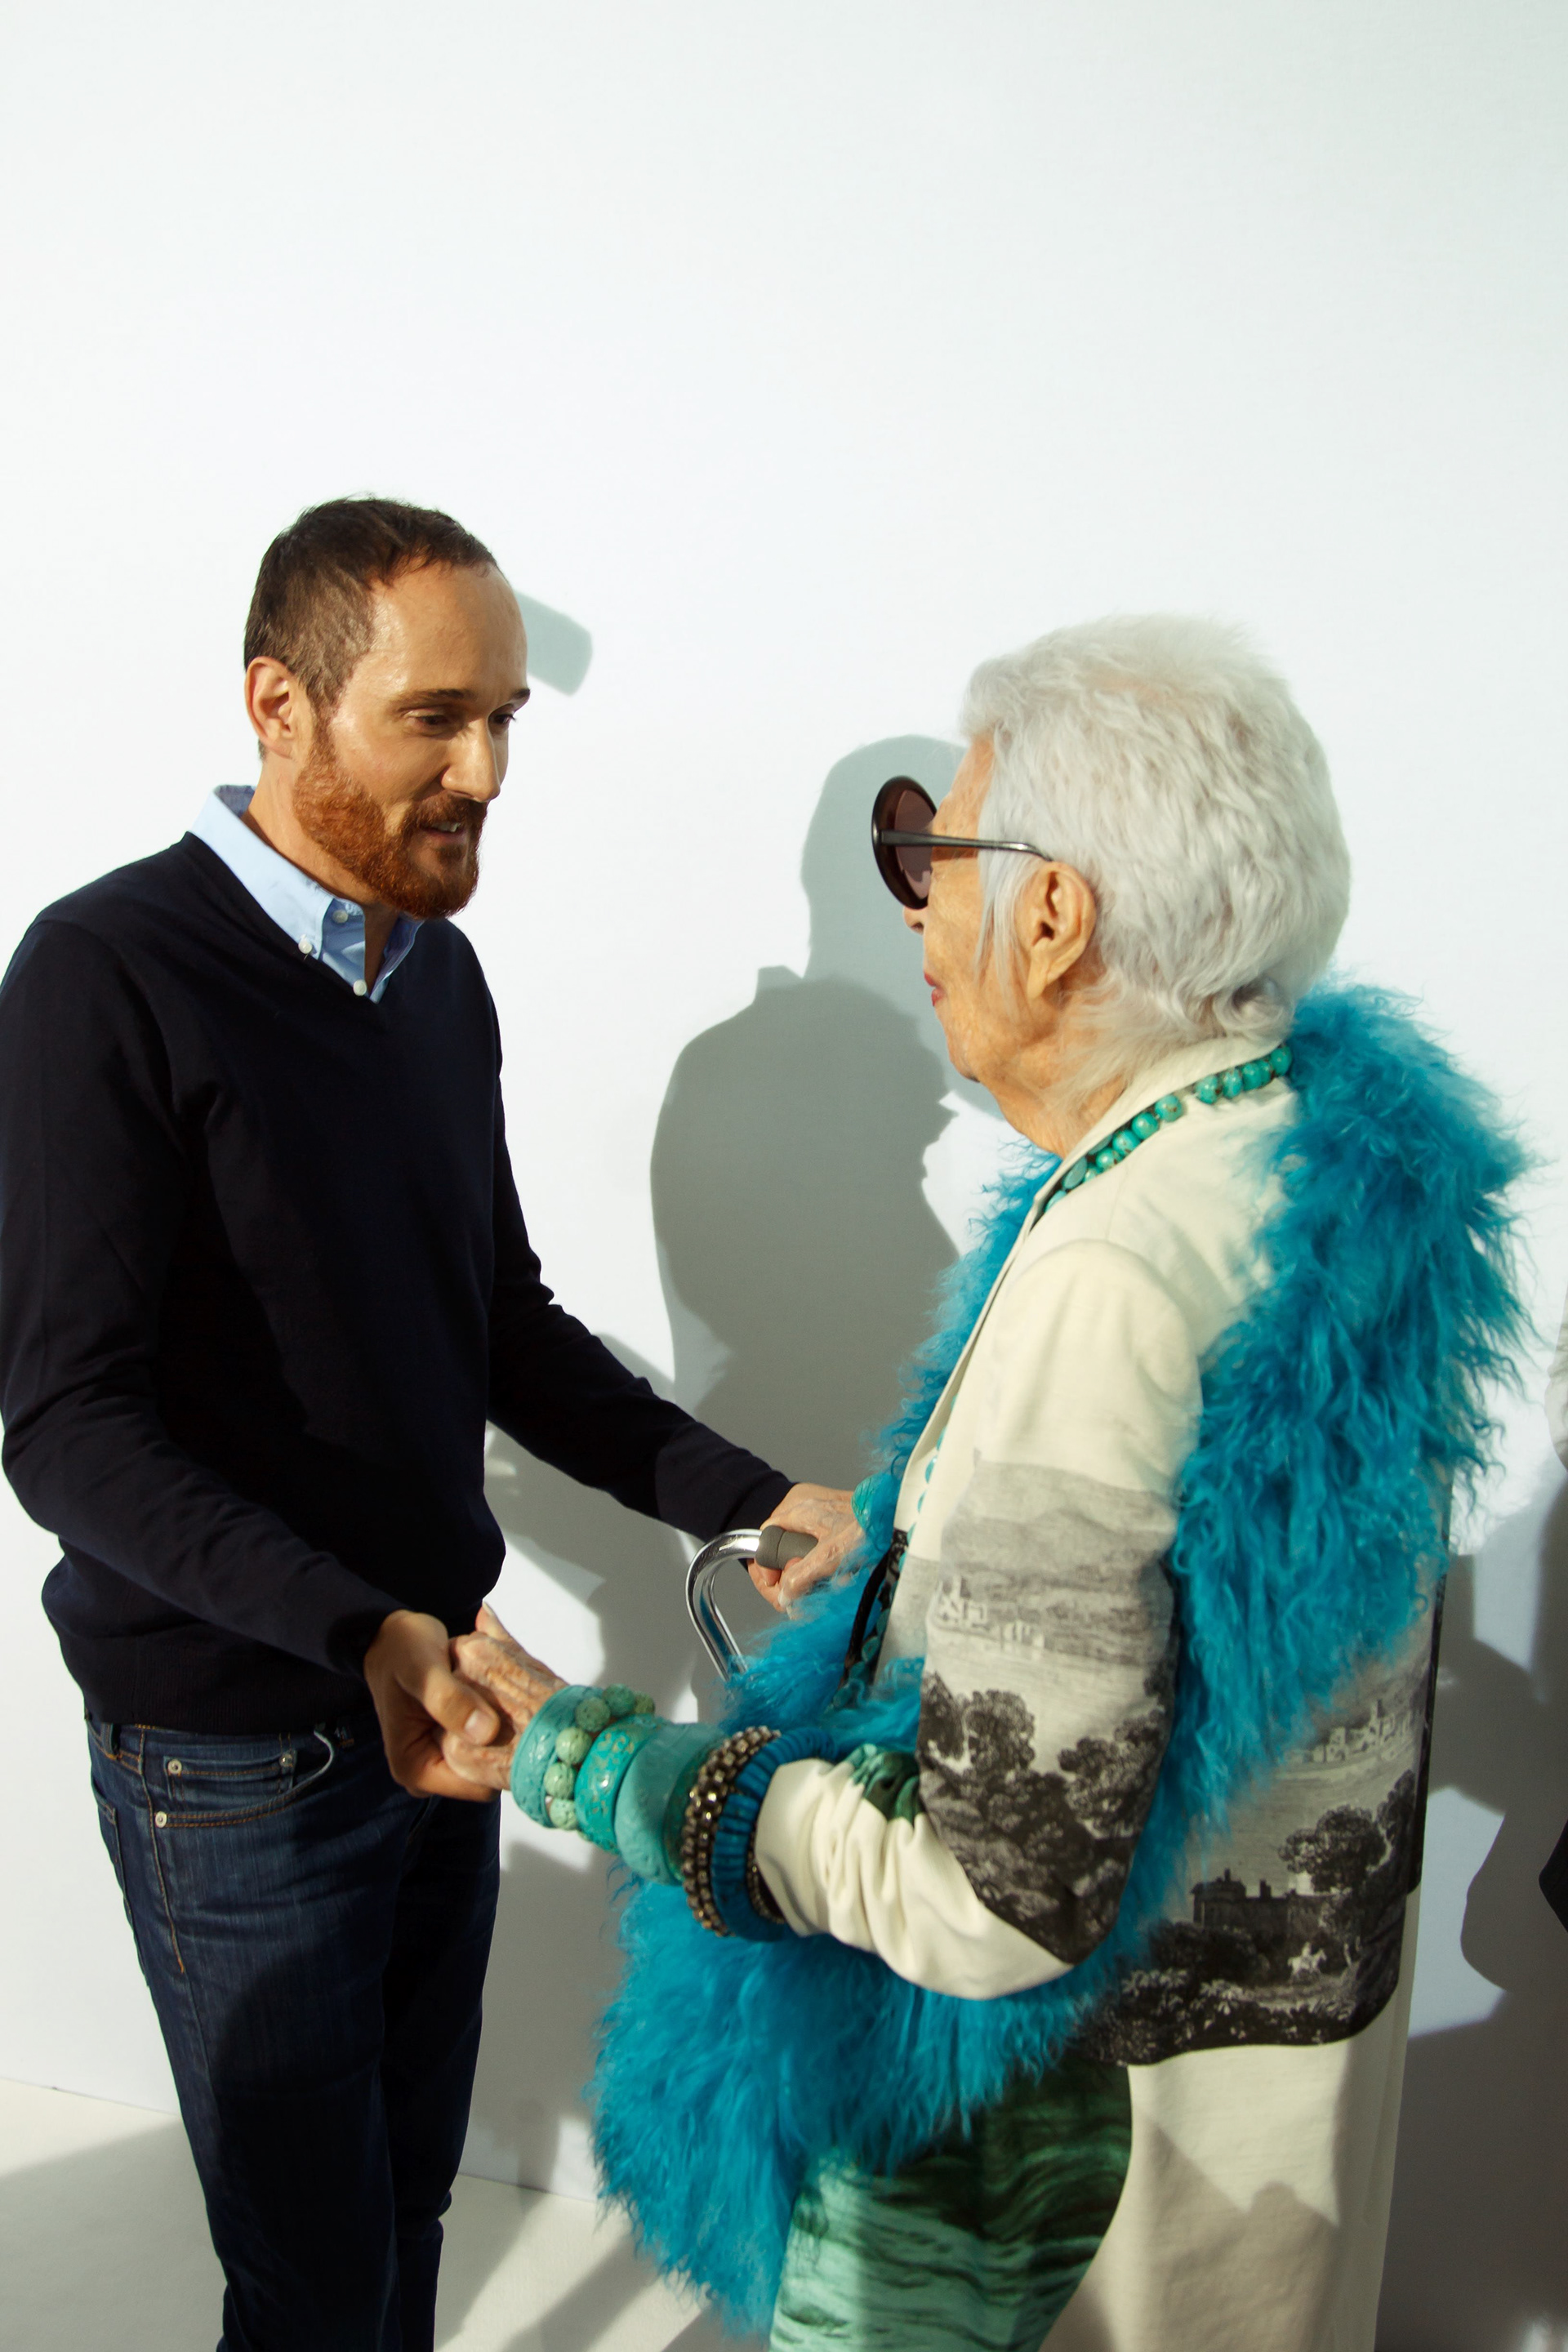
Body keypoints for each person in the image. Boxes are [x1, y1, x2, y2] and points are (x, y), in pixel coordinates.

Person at [441, 616, 1527, 2352]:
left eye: (927, 851)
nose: (913, 910)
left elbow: (991, 1901)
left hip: (1057, 2216)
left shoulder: (1108, 1275)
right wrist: (936, 1584)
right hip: (1260, 2170)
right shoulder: (1315, 1189)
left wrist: (600, 1762)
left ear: (1053, 911)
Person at [0, 496, 856, 2352]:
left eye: (507, 724)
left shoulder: (429, 975)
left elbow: (500, 1331)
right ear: (277, 702)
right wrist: (351, 1627)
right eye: (434, 719)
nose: (484, 771)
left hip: (444, 1705)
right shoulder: (105, 975)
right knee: (309, 2285)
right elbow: (65, 1427)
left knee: (404, 2202)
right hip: (237, 1750)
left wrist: (750, 1494)